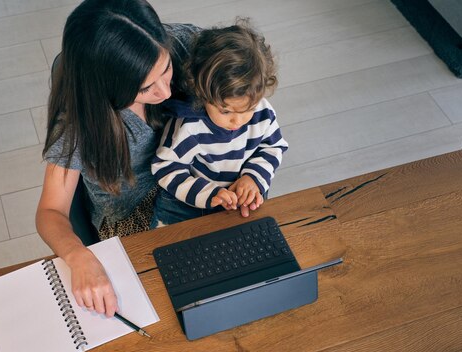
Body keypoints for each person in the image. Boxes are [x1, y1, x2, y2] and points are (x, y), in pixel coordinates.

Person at [36, 0, 208, 317]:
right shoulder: (78, 123)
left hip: (195, 172)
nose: (165, 92)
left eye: (166, 69)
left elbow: (247, 79)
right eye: (145, 88)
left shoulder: (185, 42)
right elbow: (50, 211)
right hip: (134, 211)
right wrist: (78, 257)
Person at [150, 20, 288, 227]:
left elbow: (273, 147)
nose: (237, 120)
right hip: (194, 198)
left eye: (247, 109)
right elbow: (166, 167)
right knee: (169, 243)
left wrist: (253, 178)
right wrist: (209, 194)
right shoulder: (189, 127)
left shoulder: (262, 113)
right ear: (202, 94)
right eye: (225, 110)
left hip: (244, 191)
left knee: (253, 238)